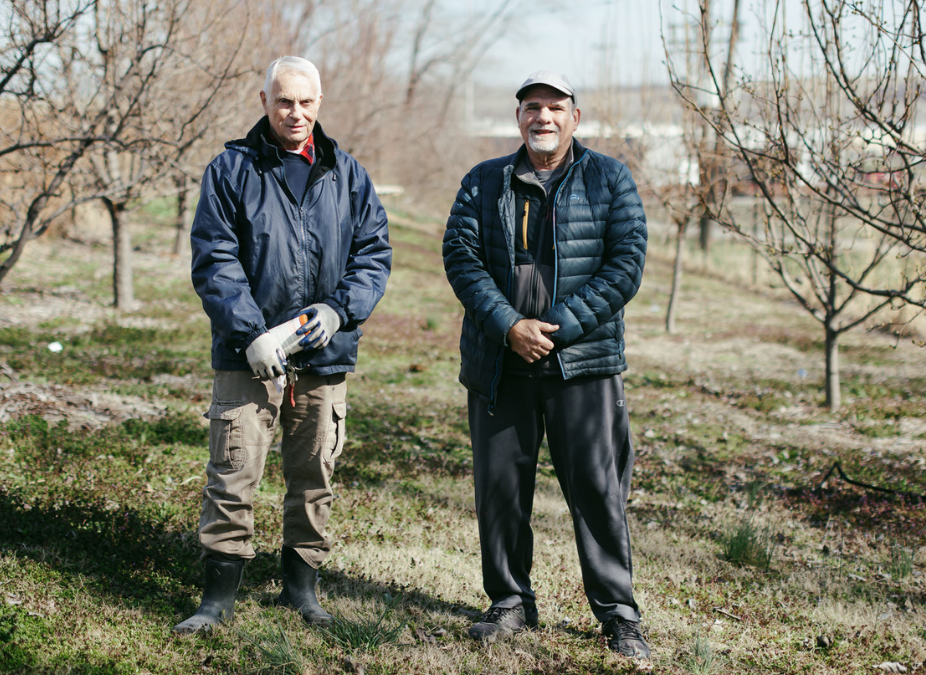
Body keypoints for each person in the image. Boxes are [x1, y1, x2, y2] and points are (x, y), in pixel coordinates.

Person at [175, 56, 391, 634]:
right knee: (233, 472)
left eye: (306, 102)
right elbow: (215, 259)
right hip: (246, 358)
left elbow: (373, 255)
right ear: (264, 100)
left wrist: (337, 309)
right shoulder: (231, 170)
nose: (295, 113)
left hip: (323, 357)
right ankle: (217, 598)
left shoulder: (349, 174)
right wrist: (250, 335)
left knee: (315, 474)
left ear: (320, 102)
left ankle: (302, 589)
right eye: (283, 101)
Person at [441, 71, 650, 659]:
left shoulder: (609, 178)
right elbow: (460, 256)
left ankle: (618, 615)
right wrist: (508, 326)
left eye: (555, 107)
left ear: (575, 118)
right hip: (500, 364)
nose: (544, 118)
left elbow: (625, 263)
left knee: (596, 491)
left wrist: (557, 330)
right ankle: (509, 602)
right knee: (501, 489)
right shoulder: (484, 181)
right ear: (518, 119)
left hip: (581, 365)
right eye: (533, 108)